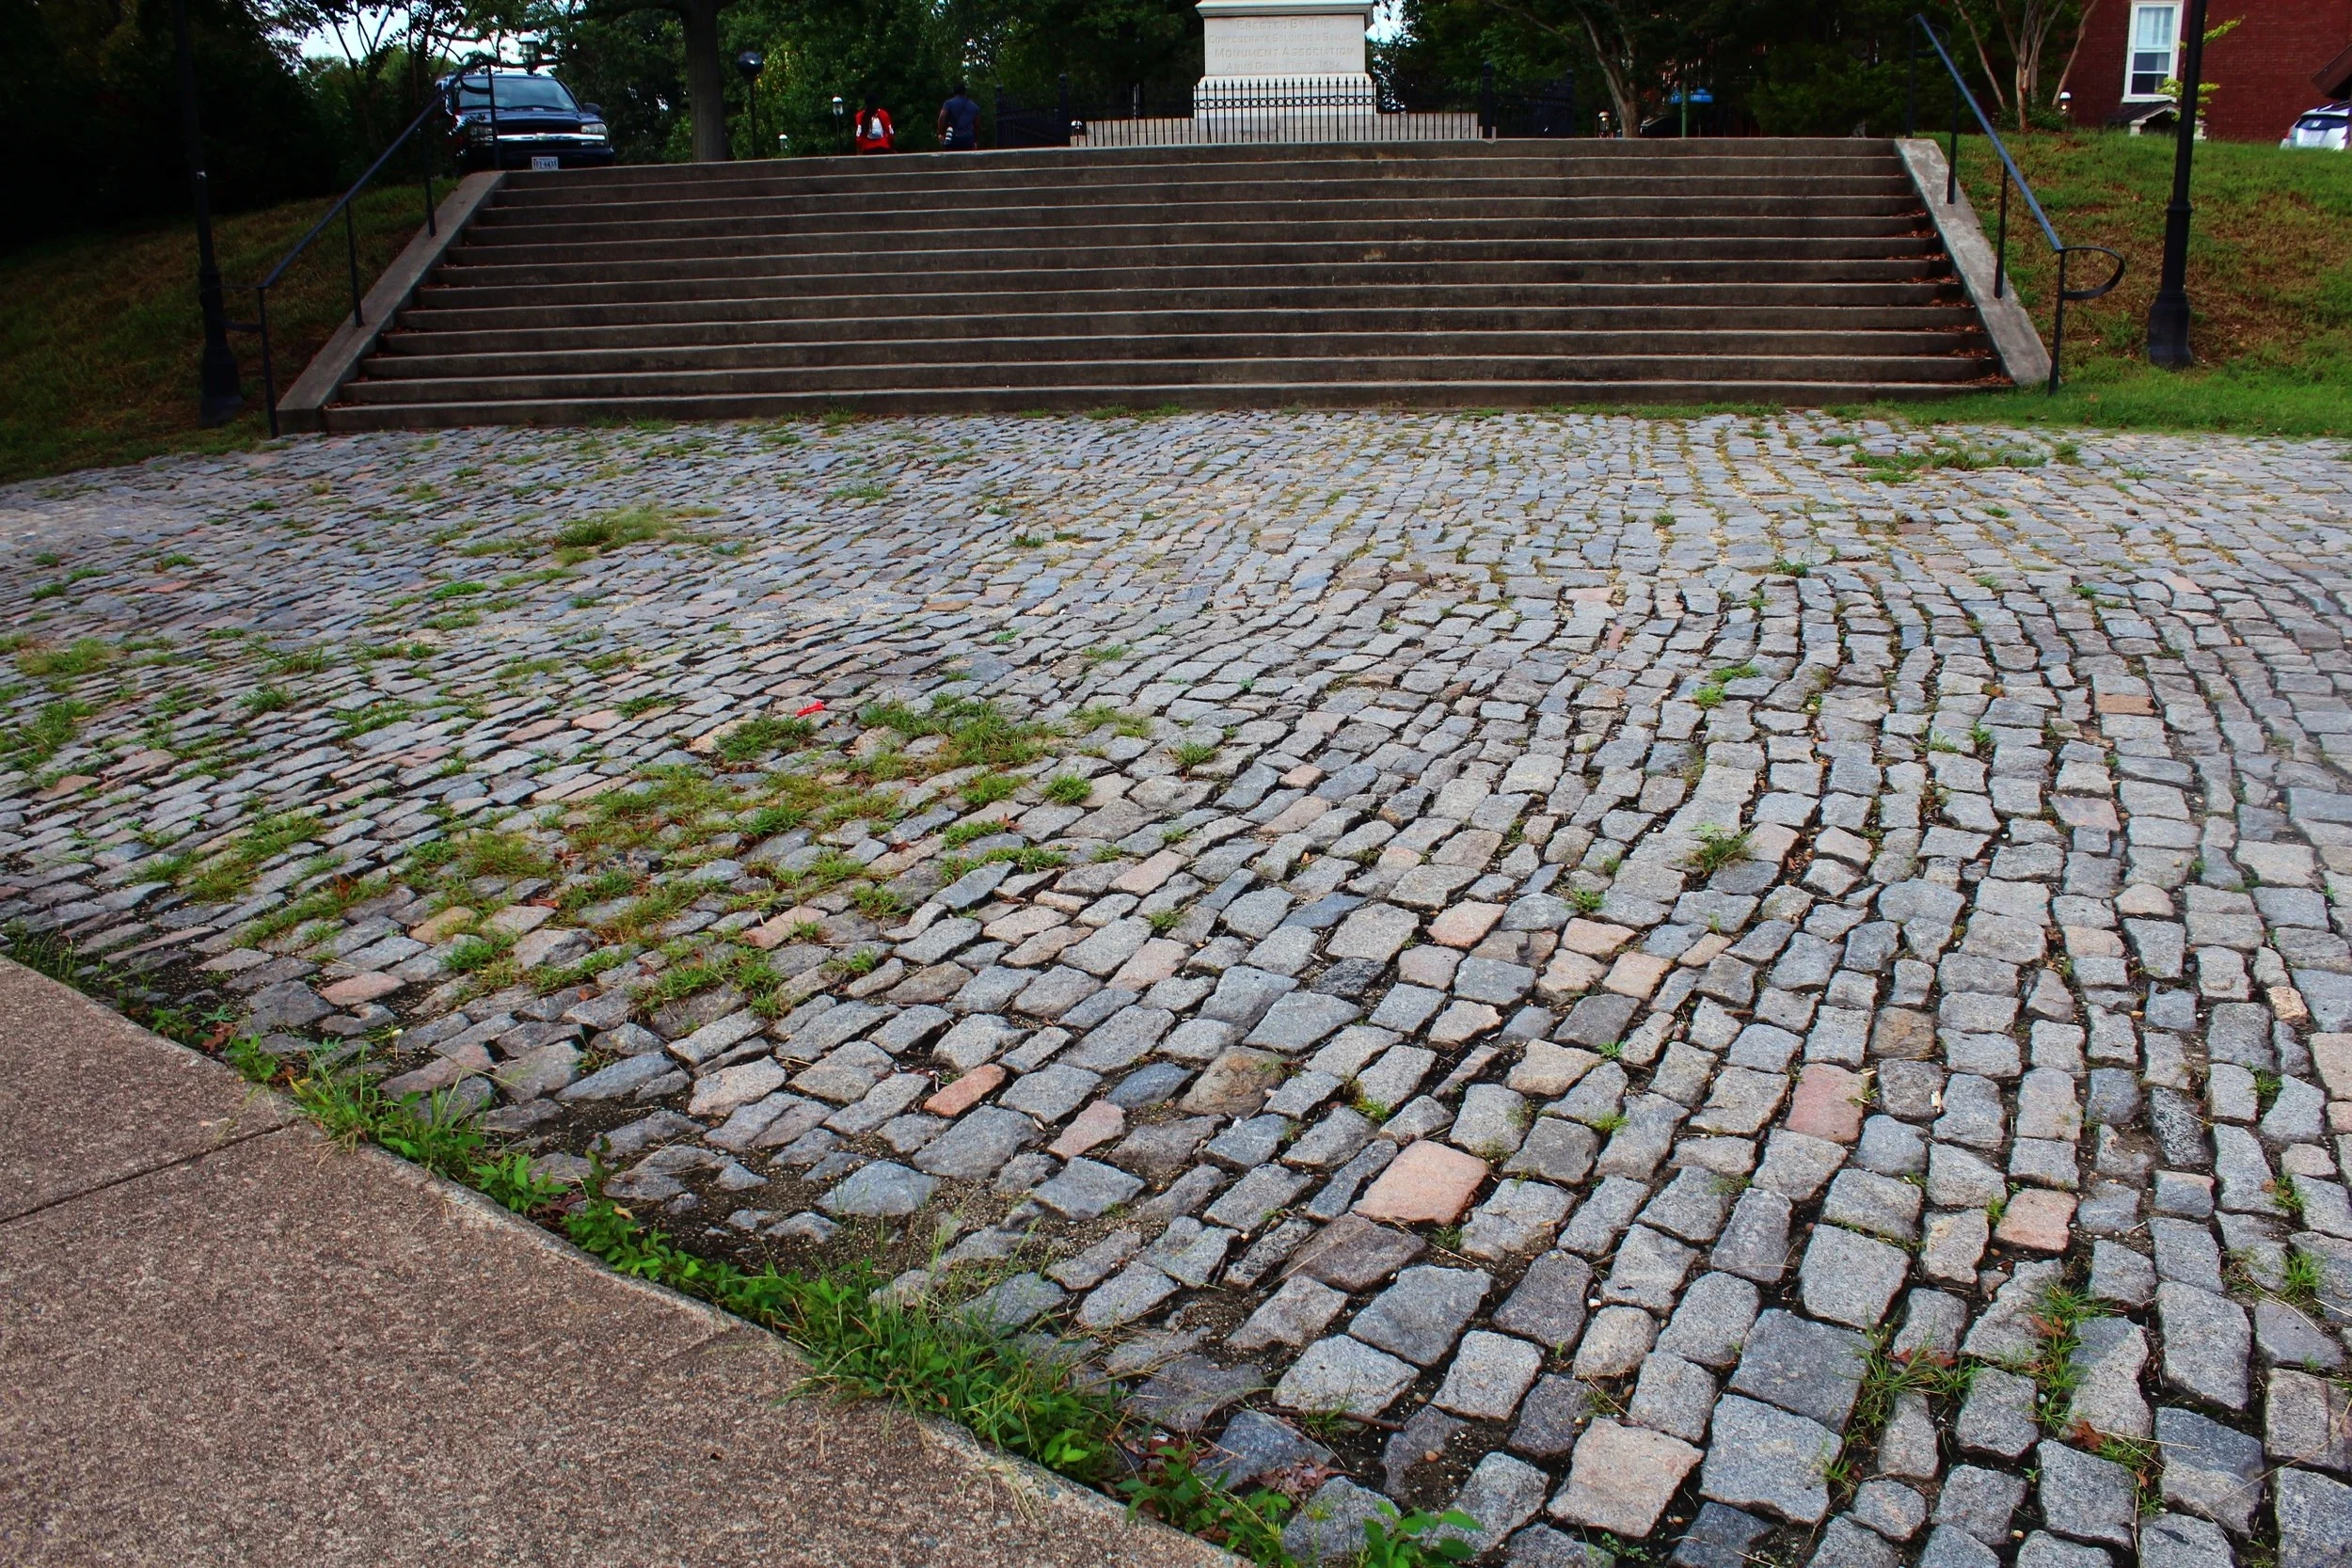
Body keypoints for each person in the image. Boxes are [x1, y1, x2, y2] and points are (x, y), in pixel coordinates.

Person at [937, 82, 980, 150]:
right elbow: (977, 126)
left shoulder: (948, 104)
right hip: (968, 139)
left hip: (952, 138)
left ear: (954, 91)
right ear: (965, 92)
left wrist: (941, 134)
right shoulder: (974, 107)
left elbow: (942, 117)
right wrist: (975, 141)